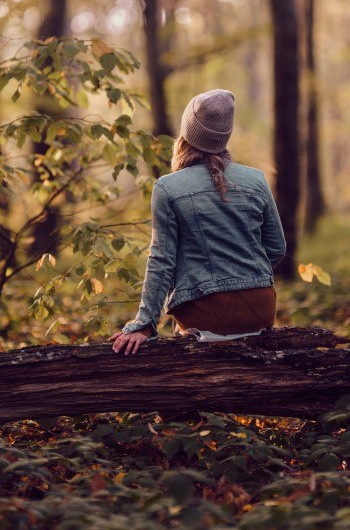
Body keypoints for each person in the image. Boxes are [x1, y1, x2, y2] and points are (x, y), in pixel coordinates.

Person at [111, 89, 286, 355]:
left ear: (186, 133)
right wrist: (244, 275)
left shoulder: (168, 187)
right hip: (260, 309)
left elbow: (162, 260)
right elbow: (277, 248)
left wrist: (144, 324)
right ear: (225, 135)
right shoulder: (257, 180)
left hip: (206, 312)